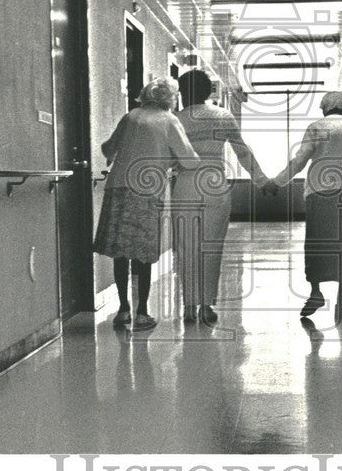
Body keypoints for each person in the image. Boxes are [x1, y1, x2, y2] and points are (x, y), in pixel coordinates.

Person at [265, 91, 342, 322]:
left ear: (324, 109)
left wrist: (276, 182)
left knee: (318, 244)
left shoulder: (316, 127)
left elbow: (299, 161)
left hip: (320, 194)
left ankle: (316, 292)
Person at [94, 77, 200, 331]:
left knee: (121, 253)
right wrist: (172, 162)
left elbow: (108, 148)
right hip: (146, 191)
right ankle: (142, 313)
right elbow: (189, 159)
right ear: (170, 99)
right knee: (143, 253)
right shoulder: (169, 120)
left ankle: (122, 310)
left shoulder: (131, 116)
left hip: (118, 189)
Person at [171, 69, 269, 324]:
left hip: (184, 185)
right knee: (212, 247)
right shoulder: (222, 116)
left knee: (186, 247)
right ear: (208, 92)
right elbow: (242, 152)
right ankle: (206, 306)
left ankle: (189, 306)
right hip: (214, 184)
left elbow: (166, 158)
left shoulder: (174, 120)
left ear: (182, 93)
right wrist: (261, 180)